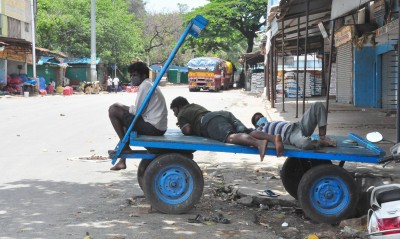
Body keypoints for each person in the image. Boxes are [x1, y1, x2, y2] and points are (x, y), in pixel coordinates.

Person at [170, 96, 284, 161]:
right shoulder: (194, 105)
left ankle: (258, 143)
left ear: (179, 107)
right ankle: (273, 138)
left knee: (229, 137)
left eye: (174, 111)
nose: (175, 114)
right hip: (223, 114)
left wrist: (181, 124)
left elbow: (187, 130)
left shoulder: (182, 113)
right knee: (247, 131)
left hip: (209, 121)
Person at [108, 62, 168, 170]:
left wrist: (121, 106)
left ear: (143, 76)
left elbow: (138, 111)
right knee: (126, 124)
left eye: (134, 75)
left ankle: (125, 147)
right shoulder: (148, 84)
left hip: (153, 127)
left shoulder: (145, 85)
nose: (132, 78)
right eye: (131, 75)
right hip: (156, 125)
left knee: (113, 110)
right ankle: (122, 161)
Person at [251, 102, 336, 150]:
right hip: (290, 135)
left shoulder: (270, 123)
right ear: (256, 125)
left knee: (317, 105)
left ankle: (322, 137)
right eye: (258, 118)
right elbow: (249, 134)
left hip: (297, 125)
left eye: (262, 116)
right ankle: (321, 143)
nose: (261, 118)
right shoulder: (259, 131)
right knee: (305, 144)